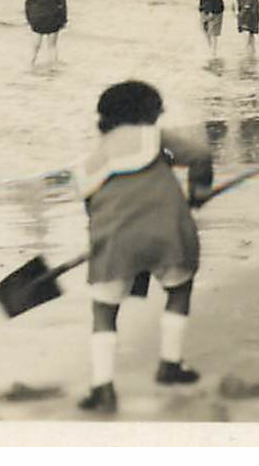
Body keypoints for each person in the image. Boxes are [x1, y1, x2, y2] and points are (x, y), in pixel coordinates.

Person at [74, 81, 213, 414]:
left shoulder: (89, 163)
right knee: (179, 289)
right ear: (148, 113)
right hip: (167, 233)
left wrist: (105, 243)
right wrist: (198, 194)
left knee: (104, 311)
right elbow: (200, 155)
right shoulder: (153, 138)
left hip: (114, 242)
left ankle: (103, 386)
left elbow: (93, 211)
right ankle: (170, 364)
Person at [25, 0, 68, 66]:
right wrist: (63, 19)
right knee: (52, 45)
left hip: (37, 17)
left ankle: (30, 64)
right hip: (52, 16)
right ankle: (53, 67)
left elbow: (29, 1)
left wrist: (29, 17)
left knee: (35, 45)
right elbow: (62, 2)